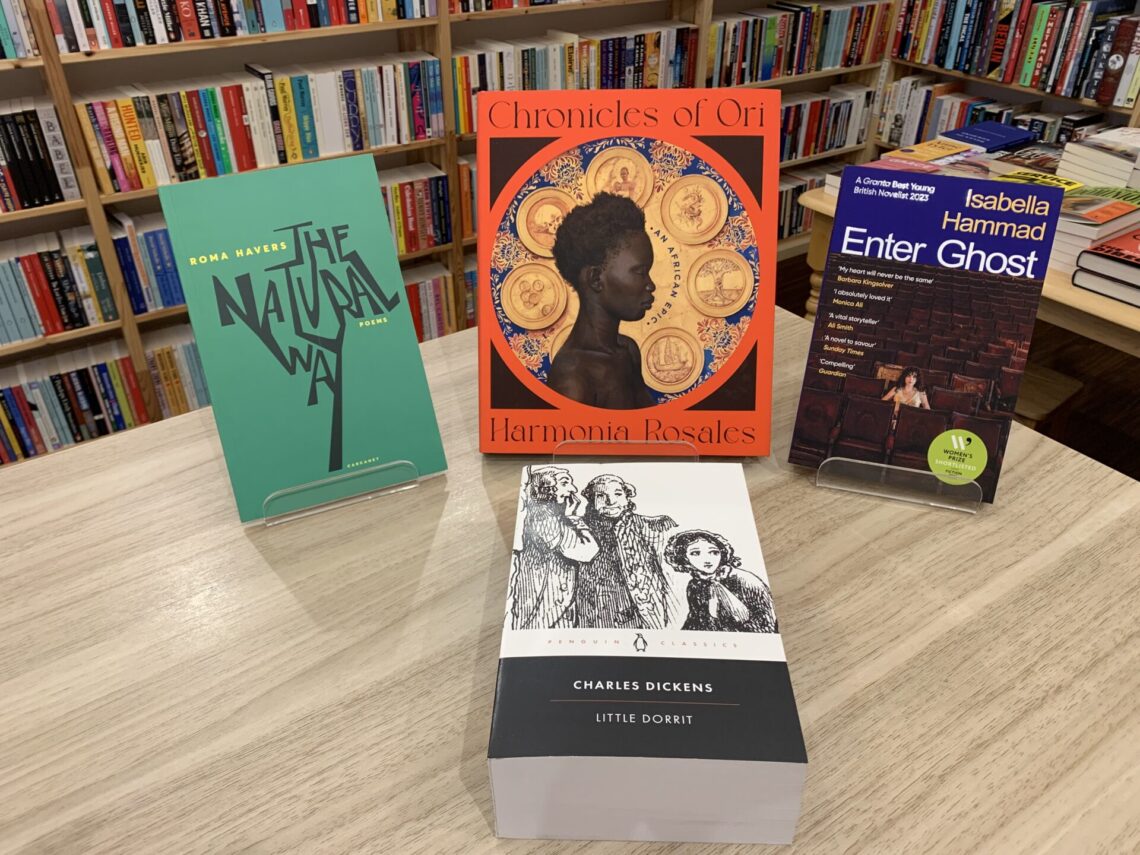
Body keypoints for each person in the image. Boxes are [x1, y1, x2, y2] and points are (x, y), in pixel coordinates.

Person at [548, 192, 657, 409]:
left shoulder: (627, 351)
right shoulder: (573, 381)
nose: (651, 285)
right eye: (640, 272)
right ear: (596, 279)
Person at [576, 473, 676, 629]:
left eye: (618, 494)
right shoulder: (579, 527)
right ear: (591, 500)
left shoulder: (651, 526)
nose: (611, 501)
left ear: (627, 498)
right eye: (601, 496)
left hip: (641, 611)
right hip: (595, 610)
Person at [509, 466, 598, 629]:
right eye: (565, 483)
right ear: (545, 488)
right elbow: (587, 551)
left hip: (558, 608)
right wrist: (573, 517)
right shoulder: (542, 518)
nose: (573, 489)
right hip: (541, 609)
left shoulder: (553, 516)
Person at [663, 529, 777, 633]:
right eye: (695, 553)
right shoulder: (695, 585)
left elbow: (767, 624)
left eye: (714, 552)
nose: (707, 559)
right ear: (683, 558)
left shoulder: (746, 581)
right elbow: (696, 620)